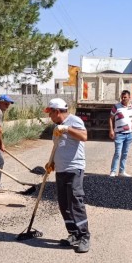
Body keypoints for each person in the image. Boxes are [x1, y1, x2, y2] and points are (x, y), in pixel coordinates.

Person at [39, 97, 91, 253]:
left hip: (74, 169)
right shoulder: (57, 126)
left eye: (50, 113)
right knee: (63, 204)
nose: (49, 116)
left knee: (75, 202)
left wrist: (67, 129)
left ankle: (84, 236)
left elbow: (84, 137)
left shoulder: (74, 121)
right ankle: (73, 233)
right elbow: (57, 146)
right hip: (61, 169)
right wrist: (52, 162)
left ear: (57, 111)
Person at [108, 89, 132, 177]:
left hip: (129, 134)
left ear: (129, 97)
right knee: (117, 153)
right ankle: (113, 171)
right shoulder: (116, 107)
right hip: (119, 134)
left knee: (125, 153)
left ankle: (122, 171)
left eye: (125, 97)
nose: (123, 98)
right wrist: (111, 130)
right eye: (122, 97)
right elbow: (111, 118)